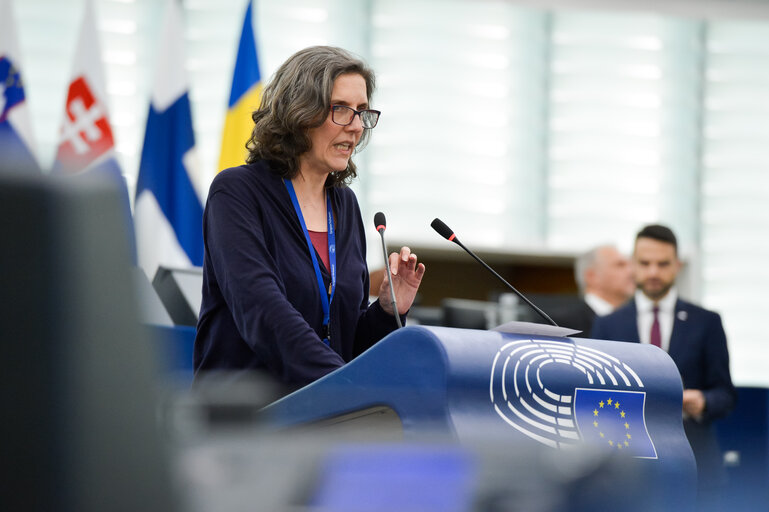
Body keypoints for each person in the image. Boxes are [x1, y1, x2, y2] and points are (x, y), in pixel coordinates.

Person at [194, 46, 425, 391]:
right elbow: (263, 314)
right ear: (300, 112)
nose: (356, 127)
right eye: (341, 110)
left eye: (362, 112)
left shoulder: (344, 205)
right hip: (241, 425)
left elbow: (345, 341)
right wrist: (345, 386)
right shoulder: (237, 193)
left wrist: (387, 312)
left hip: (319, 426)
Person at [591, 224, 736, 508]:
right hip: (626, 469)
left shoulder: (706, 322)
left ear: (677, 266)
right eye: (645, 263)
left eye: (663, 264)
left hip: (696, 467)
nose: (654, 272)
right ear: (633, 265)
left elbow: (726, 394)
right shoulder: (608, 324)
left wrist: (702, 401)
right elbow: (594, 394)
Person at [548, 245, 634, 336]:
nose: (632, 272)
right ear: (591, 276)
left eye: (631, 265)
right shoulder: (558, 325)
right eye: (620, 265)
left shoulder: (637, 321)